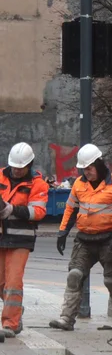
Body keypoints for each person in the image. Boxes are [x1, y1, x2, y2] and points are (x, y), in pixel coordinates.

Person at [50, 144, 112, 331]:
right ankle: (67, 319)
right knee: (74, 275)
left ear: (99, 165)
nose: (87, 173)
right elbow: (71, 208)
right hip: (84, 239)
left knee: (111, 280)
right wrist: (63, 232)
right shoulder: (79, 184)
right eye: (84, 169)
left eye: (89, 168)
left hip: (108, 240)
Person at [0, 143, 49, 337]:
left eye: (21, 167)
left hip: (21, 239)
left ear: (29, 164)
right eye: (14, 166)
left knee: (13, 282)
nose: (17, 170)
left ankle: (10, 324)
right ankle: (16, 313)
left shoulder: (38, 184)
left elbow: (38, 212)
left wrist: (11, 209)